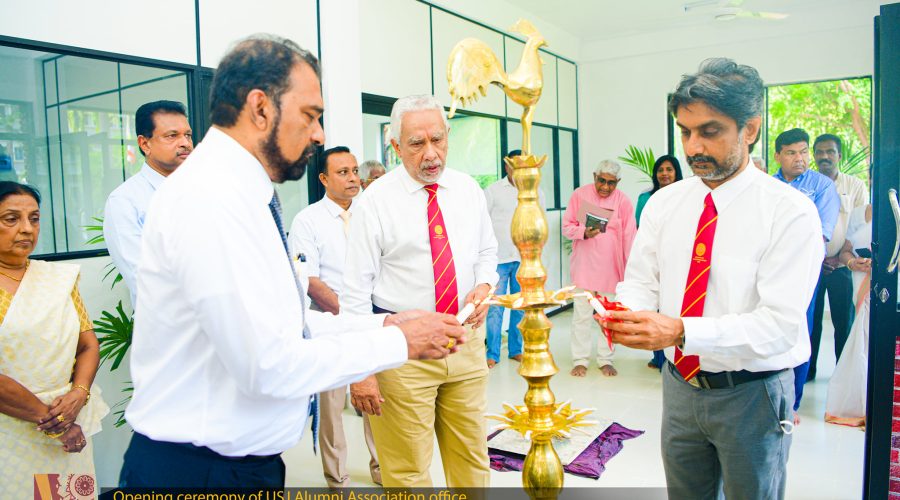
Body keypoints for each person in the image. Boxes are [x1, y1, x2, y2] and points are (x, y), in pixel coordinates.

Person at [118, 36, 467, 488]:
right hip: (198, 473)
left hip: (231, 467)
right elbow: (268, 365)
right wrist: (399, 342)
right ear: (260, 108)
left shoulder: (240, 193)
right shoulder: (210, 200)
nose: (319, 134)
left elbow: (284, 325)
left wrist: (384, 324)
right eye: (310, 115)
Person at [603, 58, 822, 499]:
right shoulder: (666, 203)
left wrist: (680, 330)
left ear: (750, 129)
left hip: (752, 394)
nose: (693, 147)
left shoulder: (789, 212)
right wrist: (626, 314)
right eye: (685, 132)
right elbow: (641, 280)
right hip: (679, 387)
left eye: (710, 131)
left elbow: (779, 325)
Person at [342, 94, 498, 487]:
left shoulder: (467, 190)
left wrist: (484, 284)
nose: (431, 153)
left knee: (473, 462)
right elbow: (355, 292)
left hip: (465, 341)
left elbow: (487, 251)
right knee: (407, 471)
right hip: (402, 354)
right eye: (416, 143)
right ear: (395, 146)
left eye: (438, 139)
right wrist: (362, 370)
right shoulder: (374, 203)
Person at [0, 182, 109, 498]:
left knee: (66, 493)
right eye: (11, 219)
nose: (26, 228)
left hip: (68, 420)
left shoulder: (57, 279)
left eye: (34, 219)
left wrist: (78, 393)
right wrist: (56, 422)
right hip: (11, 430)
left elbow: (87, 344)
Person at [288, 146, 381, 487]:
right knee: (331, 406)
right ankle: (337, 477)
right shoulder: (307, 220)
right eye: (343, 172)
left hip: (370, 320)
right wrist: (349, 313)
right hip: (329, 321)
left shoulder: (371, 213)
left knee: (377, 400)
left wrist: (368, 316)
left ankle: (382, 468)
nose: (353, 178)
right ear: (324, 179)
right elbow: (309, 280)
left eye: (355, 170)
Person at [773, 127, 839, 419]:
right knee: (769, 331)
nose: (799, 158)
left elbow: (820, 234)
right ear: (778, 156)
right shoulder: (768, 185)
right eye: (791, 153)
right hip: (770, 270)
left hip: (803, 271)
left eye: (803, 152)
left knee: (800, 331)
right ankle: (770, 397)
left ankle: (792, 403)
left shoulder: (822, 186)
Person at [104, 100, 193, 305]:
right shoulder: (125, 202)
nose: (185, 143)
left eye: (188, 135)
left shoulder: (205, 191)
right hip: (168, 320)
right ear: (145, 144)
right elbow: (145, 280)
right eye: (172, 136)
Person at [562, 159, 637, 377]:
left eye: (611, 183)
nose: (605, 186)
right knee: (581, 315)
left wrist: (629, 269)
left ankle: (605, 359)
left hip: (611, 268)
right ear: (595, 177)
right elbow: (567, 227)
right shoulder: (580, 195)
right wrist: (583, 232)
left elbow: (630, 236)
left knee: (608, 316)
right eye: (601, 181)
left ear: (618, 182)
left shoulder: (623, 201)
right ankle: (580, 360)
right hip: (584, 266)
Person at [808, 133, 869, 382]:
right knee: (811, 321)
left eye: (830, 152)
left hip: (843, 266)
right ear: (814, 155)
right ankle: (808, 372)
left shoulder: (854, 186)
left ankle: (843, 376)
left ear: (839, 155)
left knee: (844, 322)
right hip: (811, 267)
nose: (825, 156)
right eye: (820, 152)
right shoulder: (807, 184)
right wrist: (817, 258)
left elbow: (859, 226)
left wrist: (838, 257)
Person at [483, 149, 545, 368]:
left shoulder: (535, 190)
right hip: (498, 259)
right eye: (515, 165)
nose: (519, 169)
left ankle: (516, 350)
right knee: (495, 308)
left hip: (524, 258)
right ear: (507, 166)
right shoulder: (493, 191)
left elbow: (540, 221)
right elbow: (482, 223)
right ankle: (492, 353)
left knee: (520, 306)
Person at [635, 155, 683, 371]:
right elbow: (640, 229)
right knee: (656, 306)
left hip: (678, 259)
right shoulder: (645, 198)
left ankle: (676, 355)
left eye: (669, 169)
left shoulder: (686, 195)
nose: (664, 174)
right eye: (660, 170)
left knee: (674, 306)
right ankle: (659, 357)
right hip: (654, 257)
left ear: (676, 172)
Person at [825, 202, 871, 427]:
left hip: (887, 284)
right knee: (861, 339)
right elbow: (845, 251)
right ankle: (858, 402)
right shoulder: (859, 213)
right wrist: (852, 262)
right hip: (861, 279)